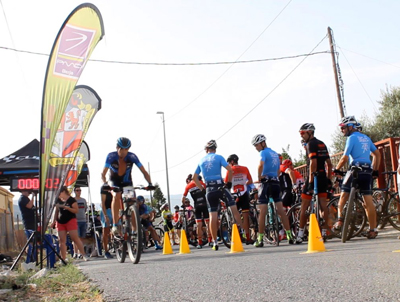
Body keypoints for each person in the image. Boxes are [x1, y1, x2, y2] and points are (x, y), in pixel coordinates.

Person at [333, 116, 381, 239]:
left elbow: (344, 158)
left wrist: (337, 169)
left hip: (355, 169)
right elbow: (377, 154)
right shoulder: (366, 138)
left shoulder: (351, 138)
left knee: (343, 195)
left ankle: (339, 220)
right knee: (368, 201)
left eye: (343, 128)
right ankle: (373, 230)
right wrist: (375, 170)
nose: (342, 130)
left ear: (351, 127)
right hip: (367, 170)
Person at [193, 139, 242, 251]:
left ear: (206, 150)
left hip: (209, 188)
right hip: (220, 186)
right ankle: (243, 233)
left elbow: (194, 178)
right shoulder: (219, 157)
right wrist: (228, 183)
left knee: (212, 216)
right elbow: (230, 169)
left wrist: (202, 189)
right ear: (215, 149)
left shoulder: (201, 160)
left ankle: (215, 242)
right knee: (234, 208)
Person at [101, 137, 153, 236]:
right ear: (117, 148)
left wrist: (150, 183)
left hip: (127, 182)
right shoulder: (111, 156)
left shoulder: (132, 157)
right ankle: (115, 224)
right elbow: (103, 173)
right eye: (121, 149)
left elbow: (144, 171)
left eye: (126, 149)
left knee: (133, 202)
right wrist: (105, 183)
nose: (124, 152)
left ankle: (134, 230)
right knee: (116, 195)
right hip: (114, 182)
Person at [251, 134, 294, 247]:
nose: (256, 148)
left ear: (262, 143)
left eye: (256, 145)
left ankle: (260, 239)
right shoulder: (275, 154)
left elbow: (260, 165)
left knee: (262, 212)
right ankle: (289, 235)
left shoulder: (263, 153)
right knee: (280, 210)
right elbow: (279, 171)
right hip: (275, 182)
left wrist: (259, 176)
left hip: (266, 183)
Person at [296, 123, 332, 243]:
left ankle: (300, 234)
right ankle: (324, 231)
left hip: (314, 176)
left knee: (304, 206)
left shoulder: (310, 144)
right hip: (323, 176)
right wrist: (329, 178)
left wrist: (311, 180)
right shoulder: (322, 143)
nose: (301, 136)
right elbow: (329, 163)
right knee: (323, 205)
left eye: (302, 133)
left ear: (309, 132)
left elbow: (313, 163)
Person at [224, 154, 255, 245]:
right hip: (244, 193)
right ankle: (248, 237)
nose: (228, 165)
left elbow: (226, 183)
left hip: (234, 194)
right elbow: (250, 181)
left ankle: (237, 237)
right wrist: (243, 183)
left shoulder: (230, 170)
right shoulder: (245, 168)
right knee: (245, 216)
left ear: (232, 162)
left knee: (235, 216)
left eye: (229, 163)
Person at [51, 186, 88, 262]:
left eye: (59, 193)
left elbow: (76, 210)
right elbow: (56, 211)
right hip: (60, 221)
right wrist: (54, 221)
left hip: (70, 220)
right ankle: (63, 258)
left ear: (63, 192)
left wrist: (67, 208)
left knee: (75, 238)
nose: (58, 195)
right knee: (61, 240)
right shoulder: (58, 200)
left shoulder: (71, 200)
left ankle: (83, 254)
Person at [182, 174, 211, 248]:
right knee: (207, 223)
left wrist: (183, 205)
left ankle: (200, 242)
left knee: (199, 225)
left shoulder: (188, 186)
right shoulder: (202, 183)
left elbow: (183, 198)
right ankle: (210, 240)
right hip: (205, 205)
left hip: (197, 206)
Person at [18, 190, 36, 263]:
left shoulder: (26, 199)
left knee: (32, 241)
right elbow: (29, 206)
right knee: (30, 241)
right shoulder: (22, 199)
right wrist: (33, 196)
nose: (29, 192)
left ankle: (32, 258)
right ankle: (29, 259)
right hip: (28, 223)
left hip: (32, 222)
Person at [73, 186, 87, 258]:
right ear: (75, 191)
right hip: (75, 221)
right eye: (77, 190)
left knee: (82, 237)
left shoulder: (83, 200)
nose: (79, 192)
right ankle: (75, 252)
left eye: (80, 190)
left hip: (83, 220)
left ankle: (80, 252)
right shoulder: (73, 200)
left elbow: (85, 209)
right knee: (76, 237)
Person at [100, 189, 113, 259]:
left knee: (118, 228)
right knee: (105, 231)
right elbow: (102, 203)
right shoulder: (105, 188)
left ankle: (119, 247)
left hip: (114, 210)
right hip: (106, 210)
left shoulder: (117, 187)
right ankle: (106, 251)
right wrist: (105, 215)